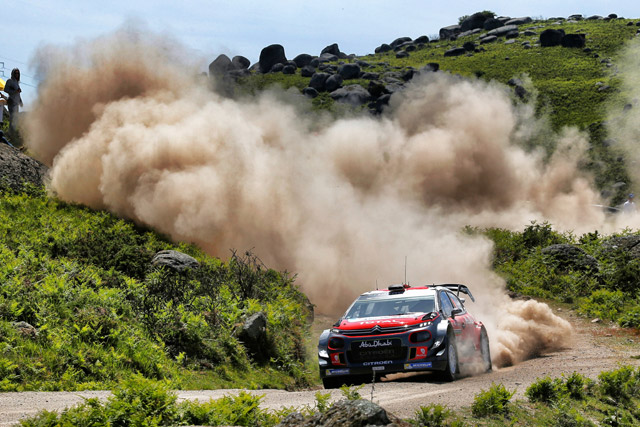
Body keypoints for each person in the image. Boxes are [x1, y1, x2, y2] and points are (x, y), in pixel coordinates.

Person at [3, 68, 23, 138]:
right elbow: (5, 89)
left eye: (18, 73)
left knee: (15, 119)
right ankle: (10, 134)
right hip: (11, 102)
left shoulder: (17, 83)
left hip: (16, 103)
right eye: (15, 73)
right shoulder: (10, 81)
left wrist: (21, 101)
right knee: (13, 118)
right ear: (13, 74)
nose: (17, 75)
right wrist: (14, 91)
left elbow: (18, 94)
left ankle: (13, 133)